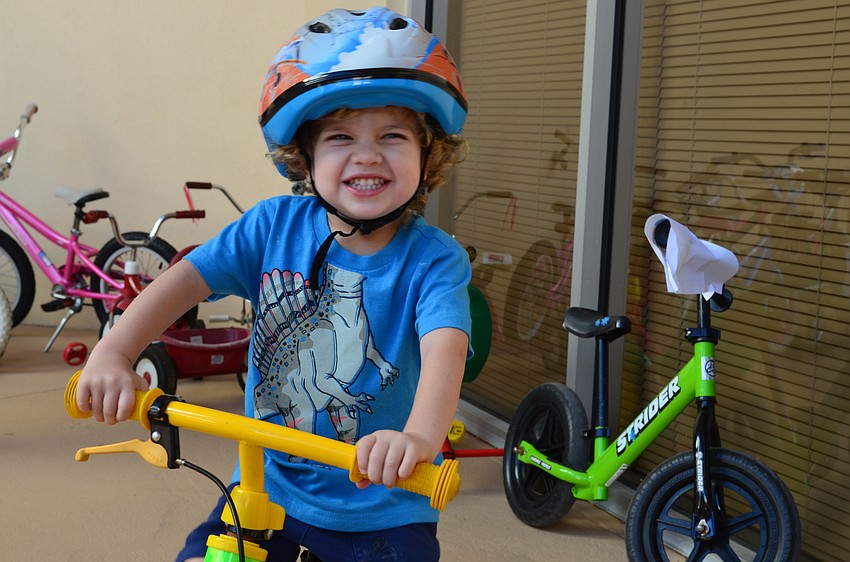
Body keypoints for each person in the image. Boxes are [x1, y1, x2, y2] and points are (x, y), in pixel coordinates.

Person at [75, 6, 472, 562]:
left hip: (381, 505)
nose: (367, 154)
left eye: (392, 135)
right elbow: (183, 282)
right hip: (265, 486)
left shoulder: (435, 261)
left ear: (428, 155)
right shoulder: (270, 227)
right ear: (303, 157)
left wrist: (418, 439)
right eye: (339, 136)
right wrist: (114, 351)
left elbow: (444, 353)